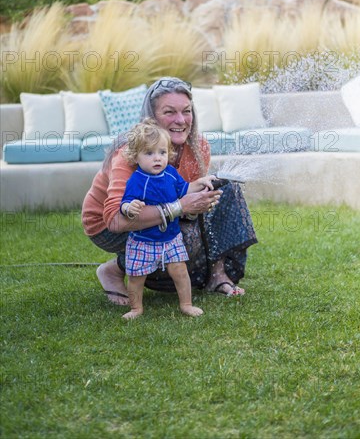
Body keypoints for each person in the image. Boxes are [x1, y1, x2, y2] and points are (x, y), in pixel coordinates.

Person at [82, 77, 257, 307]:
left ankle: (217, 275)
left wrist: (203, 198)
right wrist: (182, 207)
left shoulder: (198, 146)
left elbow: (188, 202)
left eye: (186, 111)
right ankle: (114, 270)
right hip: (108, 227)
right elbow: (116, 220)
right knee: (181, 239)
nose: (181, 120)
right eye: (169, 112)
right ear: (151, 118)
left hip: (163, 212)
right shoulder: (131, 153)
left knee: (227, 190)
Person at [120, 119, 216, 319]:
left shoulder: (171, 174)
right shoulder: (137, 180)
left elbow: (185, 189)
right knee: (137, 277)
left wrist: (200, 182)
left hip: (171, 238)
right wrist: (129, 207)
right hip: (143, 241)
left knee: (180, 271)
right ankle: (136, 308)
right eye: (149, 153)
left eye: (162, 153)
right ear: (135, 156)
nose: (157, 159)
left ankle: (186, 305)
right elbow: (125, 203)